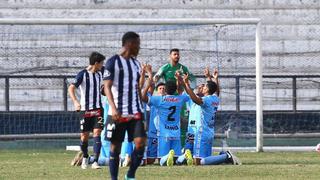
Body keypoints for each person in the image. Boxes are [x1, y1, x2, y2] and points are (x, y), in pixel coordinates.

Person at [176, 68, 241, 166]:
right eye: (200, 86)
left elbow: (197, 97)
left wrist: (187, 84)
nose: (201, 86)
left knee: (198, 162)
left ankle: (225, 156)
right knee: (187, 157)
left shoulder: (204, 100)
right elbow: (214, 90)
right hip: (194, 131)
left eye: (204, 86)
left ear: (206, 90)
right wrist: (180, 81)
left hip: (201, 131)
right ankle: (222, 155)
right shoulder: (212, 98)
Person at [103, 31, 146, 180]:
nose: (139, 47)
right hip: (118, 113)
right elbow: (106, 86)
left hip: (135, 110)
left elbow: (136, 87)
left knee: (140, 143)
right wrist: (113, 108)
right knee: (116, 147)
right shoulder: (113, 61)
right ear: (130, 44)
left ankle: (130, 174)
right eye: (138, 44)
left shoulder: (135, 64)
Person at [141, 66, 192, 167]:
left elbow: (143, 97)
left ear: (166, 90)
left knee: (161, 161)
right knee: (177, 159)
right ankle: (184, 156)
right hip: (176, 133)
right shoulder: (180, 99)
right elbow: (185, 93)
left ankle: (168, 155)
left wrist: (150, 77)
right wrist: (181, 81)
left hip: (164, 134)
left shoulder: (159, 100)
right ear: (174, 90)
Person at [68, 51, 106, 169]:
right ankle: (85, 156)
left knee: (97, 133)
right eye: (101, 64)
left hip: (98, 109)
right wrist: (75, 101)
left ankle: (95, 161)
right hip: (85, 110)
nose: (102, 66)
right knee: (84, 136)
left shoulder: (102, 72)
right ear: (95, 63)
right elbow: (71, 88)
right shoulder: (82, 74)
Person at [146, 82, 166, 164]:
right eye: (160, 88)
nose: (162, 90)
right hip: (153, 131)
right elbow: (147, 93)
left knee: (163, 160)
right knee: (150, 160)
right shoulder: (153, 99)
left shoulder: (169, 100)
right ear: (157, 90)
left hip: (165, 132)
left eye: (164, 88)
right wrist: (151, 80)